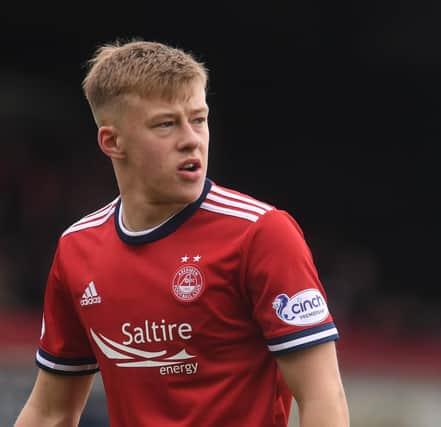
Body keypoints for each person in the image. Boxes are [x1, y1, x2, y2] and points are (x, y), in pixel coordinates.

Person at [14, 39, 350, 427]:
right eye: (166, 124)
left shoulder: (261, 234)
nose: (191, 138)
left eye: (199, 119)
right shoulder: (77, 249)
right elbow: (50, 411)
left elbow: (324, 397)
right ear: (112, 142)